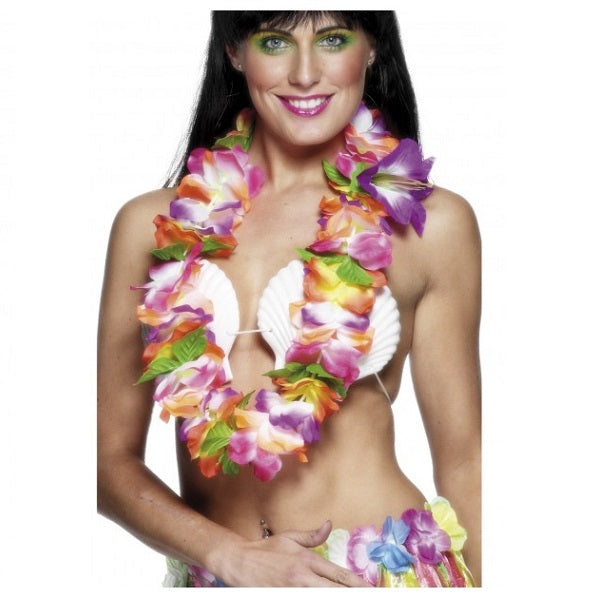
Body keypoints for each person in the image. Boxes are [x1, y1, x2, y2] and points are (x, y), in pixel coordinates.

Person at [97, 10, 481, 587]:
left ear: (371, 48)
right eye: (275, 41)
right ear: (235, 51)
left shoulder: (429, 224)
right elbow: (105, 461)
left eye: (333, 39)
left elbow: (465, 461)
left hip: (374, 579)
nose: (305, 73)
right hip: (216, 577)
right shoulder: (152, 226)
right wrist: (228, 555)